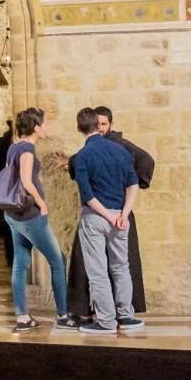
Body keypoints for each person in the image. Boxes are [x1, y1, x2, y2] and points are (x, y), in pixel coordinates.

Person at [64, 106, 153, 318]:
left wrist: (114, 213)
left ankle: (106, 319)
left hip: (102, 214)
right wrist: (122, 212)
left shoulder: (100, 150)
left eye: (106, 123)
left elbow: (87, 193)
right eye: (100, 123)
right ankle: (124, 315)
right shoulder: (118, 150)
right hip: (119, 215)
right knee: (119, 267)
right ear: (96, 125)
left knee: (101, 271)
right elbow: (131, 184)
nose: (102, 127)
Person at [0, 109, 74, 331]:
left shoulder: (14, 146)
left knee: (20, 264)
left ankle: (22, 317)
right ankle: (62, 315)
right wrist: (42, 203)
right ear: (36, 127)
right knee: (58, 261)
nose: (47, 127)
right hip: (30, 215)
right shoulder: (27, 148)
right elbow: (25, 180)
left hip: (13, 214)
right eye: (45, 124)